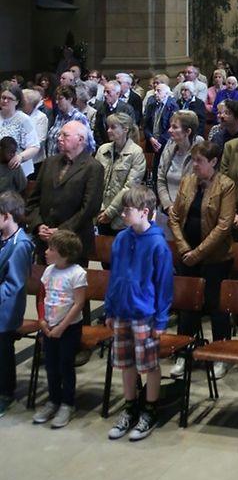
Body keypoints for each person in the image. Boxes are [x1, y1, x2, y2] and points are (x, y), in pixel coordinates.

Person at [104, 185, 174, 441]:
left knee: (149, 363)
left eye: (127, 210)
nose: (122, 214)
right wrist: (110, 309)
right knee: (127, 363)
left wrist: (161, 319)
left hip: (145, 313)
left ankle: (150, 409)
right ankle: (130, 405)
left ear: (145, 212)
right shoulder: (122, 239)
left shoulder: (158, 244)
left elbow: (164, 285)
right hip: (121, 310)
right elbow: (114, 277)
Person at [168, 141, 236, 380]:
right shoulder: (187, 182)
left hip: (216, 258)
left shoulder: (225, 185)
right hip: (187, 256)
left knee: (216, 307)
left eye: (199, 161)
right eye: (193, 160)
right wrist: (185, 247)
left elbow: (224, 225)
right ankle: (183, 353)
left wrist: (198, 253)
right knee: (188, 307)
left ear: (213, 162)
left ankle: (221, 355)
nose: (194, 165)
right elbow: (174, 217)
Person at [26, 120, 105, 264]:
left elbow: (90, 208)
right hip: (45, 242)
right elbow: (33, 200)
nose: (59, 137)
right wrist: (38, 225)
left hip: (73, 243)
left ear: (80, 140)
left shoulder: (93, 168)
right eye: (60, 134)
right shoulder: (49, 162)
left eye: (65, 135)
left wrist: (61, 231)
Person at [33, 229, 88, 429]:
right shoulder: (48, 271)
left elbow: (78, 303)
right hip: (48, 325)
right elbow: (42, 297)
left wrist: (61, 327)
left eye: (51, 249)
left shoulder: (77, 273)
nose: (46, 252)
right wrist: (42, 321)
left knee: (65, 365)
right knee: (51, 365)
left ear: (64, 253)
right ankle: (53, 400)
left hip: (69, 327)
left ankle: (67, 403)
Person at [0, 191, 34, 417]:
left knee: (3, 351)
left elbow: (14, 284)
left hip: (6, 309)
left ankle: (5, 393)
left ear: (7, 216)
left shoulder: (21, 245)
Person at [95, 113, 146, 238]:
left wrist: (110, 211)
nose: (108, 131)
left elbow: (130, 186)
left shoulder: (136, 153)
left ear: (125, 129)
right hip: (100, 212)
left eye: (113, 127)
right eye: (108, 127)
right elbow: (94, 181)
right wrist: (99, 208)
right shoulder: (102, 150)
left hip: (122, 216)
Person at [0, 83, 41, 173]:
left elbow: (34, 147)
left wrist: (20, 157)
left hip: (18, 172)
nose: (5, 101)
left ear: (17, 101)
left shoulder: (24, 120)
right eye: (3, 97)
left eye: (10, 98)